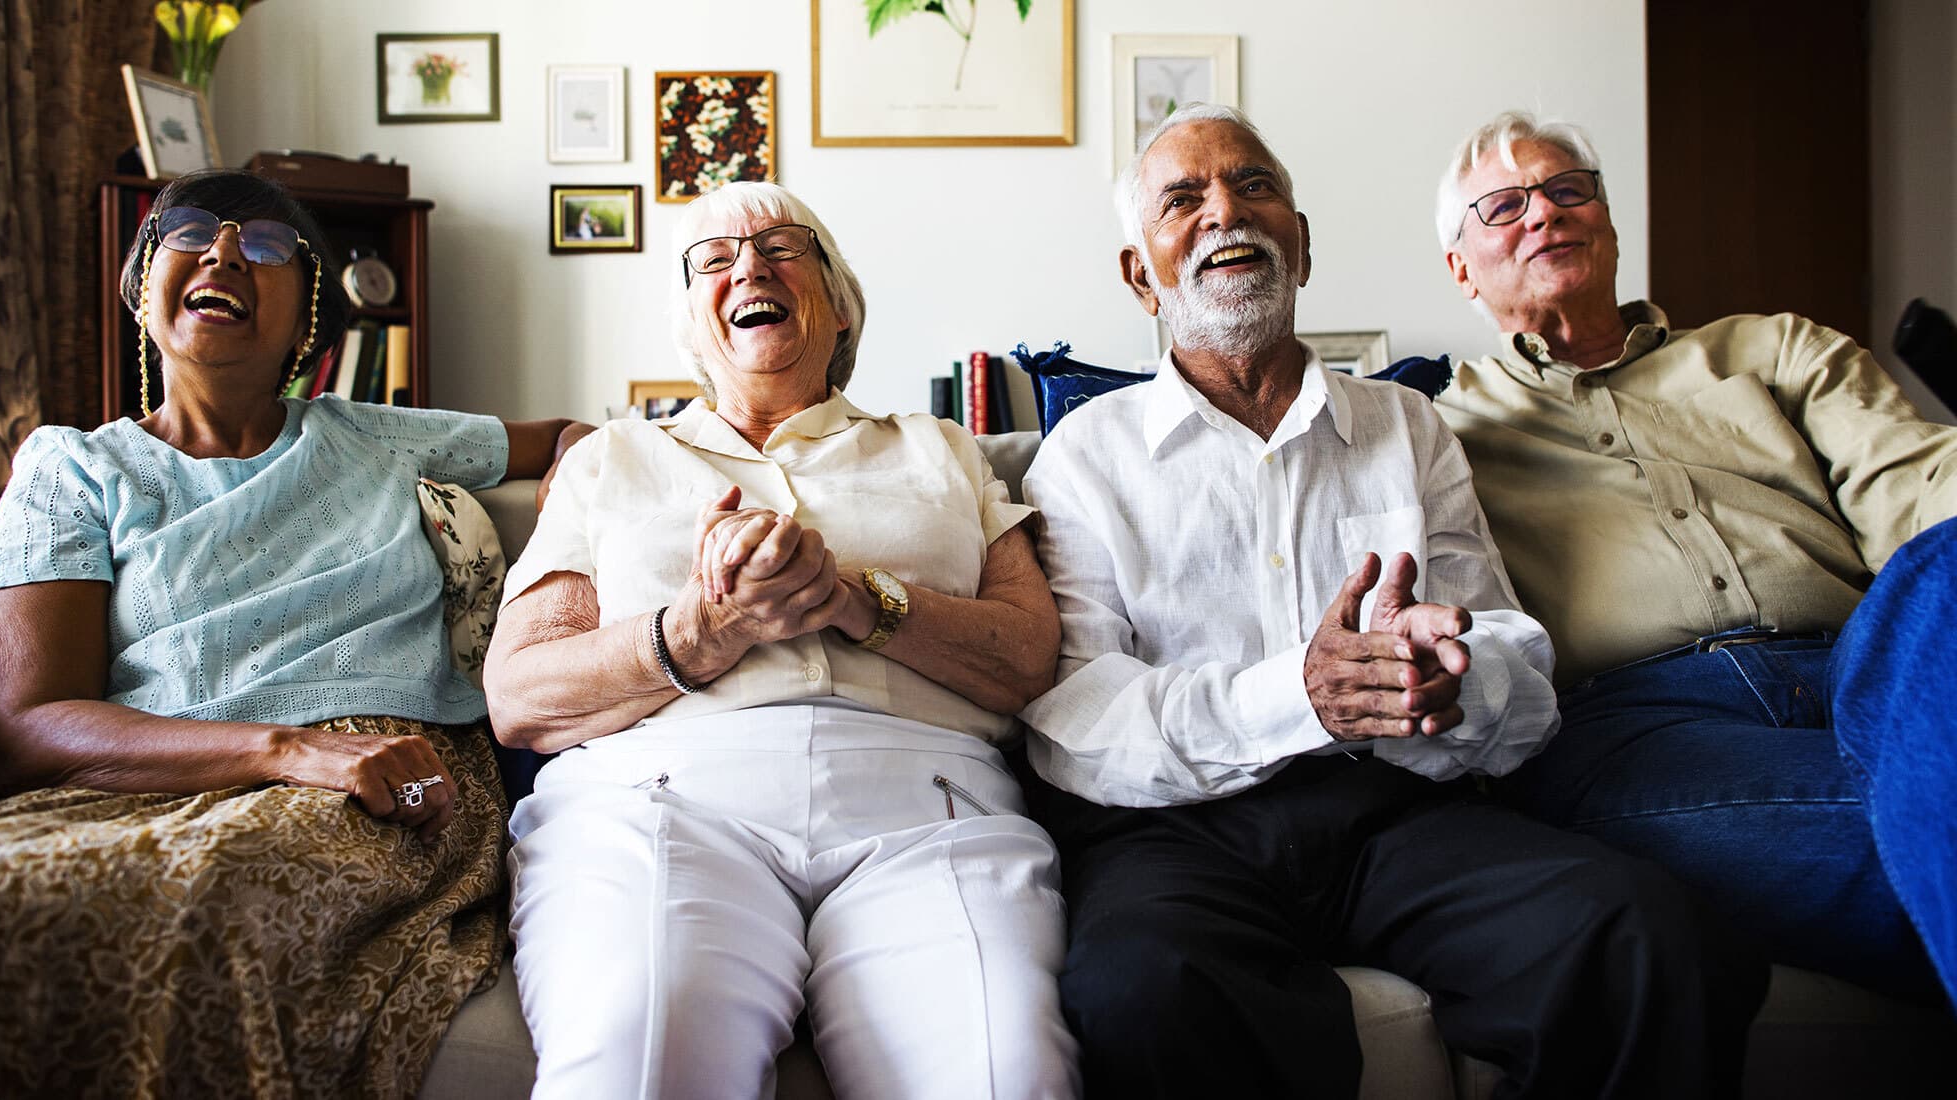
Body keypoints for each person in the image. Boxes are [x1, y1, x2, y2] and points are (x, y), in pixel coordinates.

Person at [1017, 103, 1766, 1099]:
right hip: (1175, 833)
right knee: (1138, 988)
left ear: (1301, 241)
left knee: (1642, 930)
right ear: (1136, 272)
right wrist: (1301, 693)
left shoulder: (1406, 425)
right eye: (1182, 199)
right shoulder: (1081, 453)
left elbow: (1510, 655)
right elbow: (1076, 716)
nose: (1224, 214)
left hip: (1395, 810)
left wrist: (1452, 674)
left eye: (1254, 186)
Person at [0, 169, 587, 1097]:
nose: (222, 252)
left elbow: (576, 438)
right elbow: (23, 722)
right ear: (143, 286)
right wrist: (284, 751)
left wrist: (566, 580)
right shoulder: (73, 468)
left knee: (214, 896)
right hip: (141, 788)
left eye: (263, 247)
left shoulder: (382, 435)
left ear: (308, 327)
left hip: (382, 779)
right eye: (192, 233)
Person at [483, 180, 1079, 1099]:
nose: (749, 267)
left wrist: (852, 596)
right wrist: (698, 630)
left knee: (1004, 1073)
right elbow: (521, 697)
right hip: (659, 799)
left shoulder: (942, 447)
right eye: (714, 261)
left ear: (840, 306)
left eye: (783, 248)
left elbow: (1028, 657)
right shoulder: (610, 460)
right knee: (638, 1048)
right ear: (692, 325)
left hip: (929, 806)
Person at [1433, 110, 1957, 1006]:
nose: (1545, 214)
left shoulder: (1777, 349)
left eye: (1568, 190)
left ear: (1607, 220)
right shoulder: (1436, 430)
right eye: (1505, 206)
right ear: (1460, 270)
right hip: (1645, 725)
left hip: (1866, 668)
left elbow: (1920, 487)